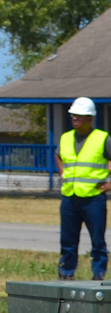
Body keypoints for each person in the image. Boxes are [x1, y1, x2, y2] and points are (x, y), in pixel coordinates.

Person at [59, 96, 108, 282]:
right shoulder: (65, 138)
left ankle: (98, 275)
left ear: (90, 118)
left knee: (97, 241)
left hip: (93, 198)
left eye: (79, 115)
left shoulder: (102, 139)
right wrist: (62, 172)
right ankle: (66, 274)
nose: (74, 118)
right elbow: (58, 155)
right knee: (68, 241)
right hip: (70, 197)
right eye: (73, 115)